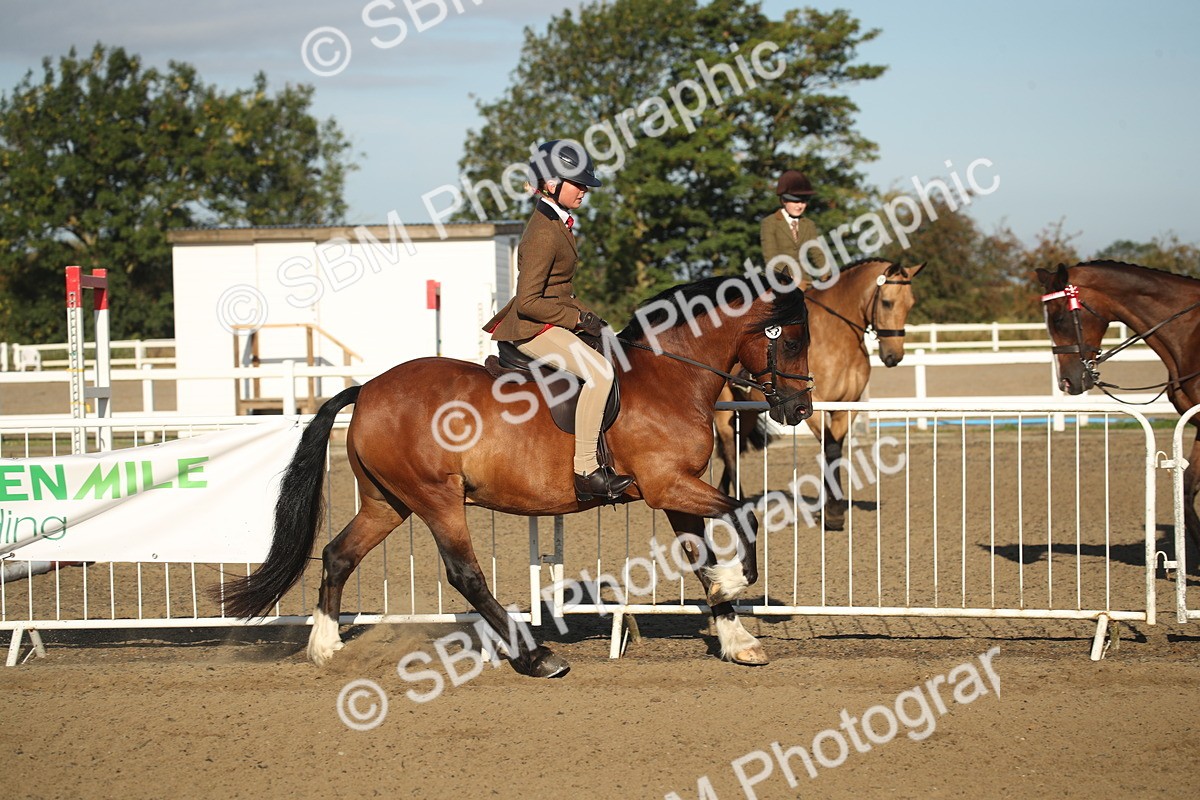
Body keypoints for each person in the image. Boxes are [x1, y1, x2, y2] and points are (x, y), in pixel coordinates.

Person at [483, 140, 635, 503]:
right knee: (601, 373)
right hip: (533, 328)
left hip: (551, 320)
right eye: (578, 183)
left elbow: (560, 289)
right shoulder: (543, 232)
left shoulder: (557, 223)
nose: (584, 190)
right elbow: (529, 301)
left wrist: (594, 319)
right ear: (551, 183)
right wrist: (577, 319)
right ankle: (586, 470)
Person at [760, 169, 825, 288]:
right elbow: (771, 258)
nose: (800, 206)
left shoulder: (809, 224)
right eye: (795, 202)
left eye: (803, 202)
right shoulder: (770, 223)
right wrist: (790, 279)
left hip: (806, 282)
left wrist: (828, 275)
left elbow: (817, 254)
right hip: (779, 281)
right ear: (784, 200)